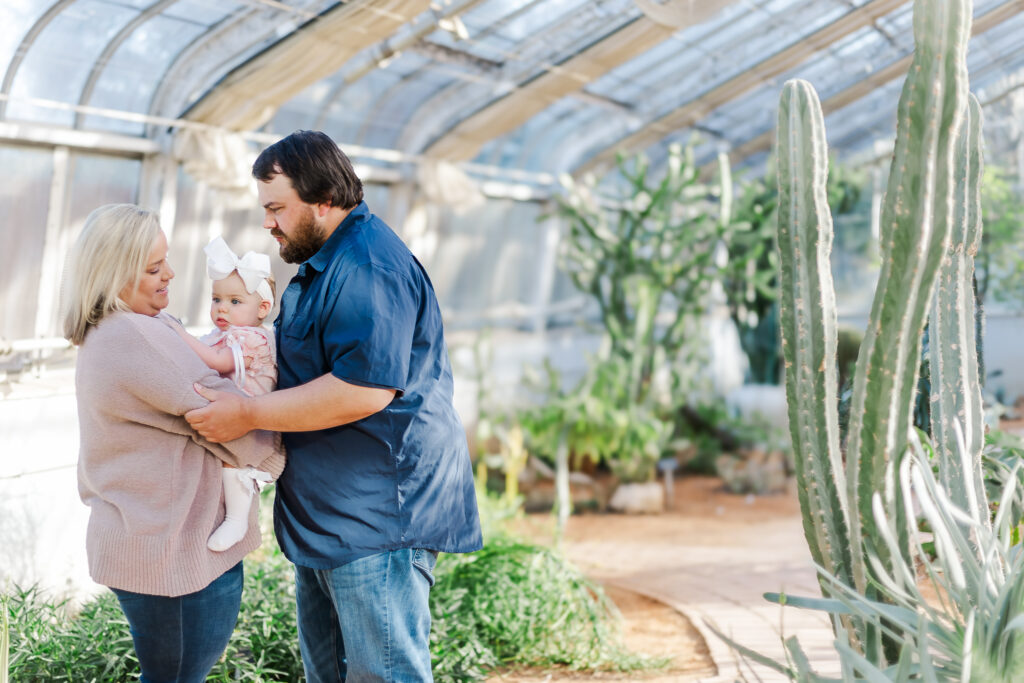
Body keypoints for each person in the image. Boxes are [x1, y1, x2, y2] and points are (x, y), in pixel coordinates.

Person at [185, 130, 482, 682]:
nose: (268, 223)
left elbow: (362, 389)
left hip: (377, 517)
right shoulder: (328, 260)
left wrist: (247, 414)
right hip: (335, 516)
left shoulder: (367, 268)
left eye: (277, 208)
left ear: (324, 200)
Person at [61, 203, 286, 683]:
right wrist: (275, 445)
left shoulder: (141, 325)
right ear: (114, 273)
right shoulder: (132, 334)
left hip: (161, 538)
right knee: (180, 676)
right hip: (173, 547)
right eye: (153, 267)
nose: (171, 273)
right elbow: (223, 411)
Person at [171, 235, 279, 552]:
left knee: (235, 467)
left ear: (263, 308)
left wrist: (178, 333)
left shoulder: (253, 338)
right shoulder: (222, 334)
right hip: (233, 414)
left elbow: (217, 361)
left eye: (234, 302)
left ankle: (237, 519)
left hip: (252, 419)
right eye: (217, 299)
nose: (222, 309)